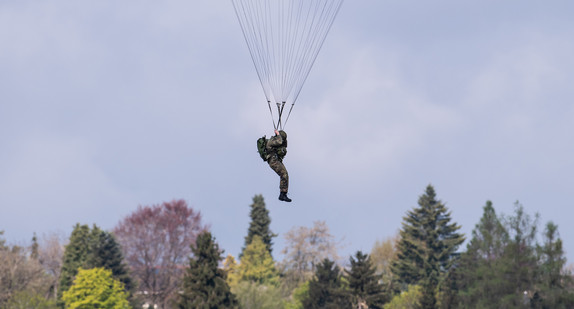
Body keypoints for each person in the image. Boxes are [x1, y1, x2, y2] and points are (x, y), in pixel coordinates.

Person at [266, 129, 291, 202]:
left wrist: (281, 137)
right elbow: (280, 141)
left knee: (285, 174)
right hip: (273, 161)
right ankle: (282, 194)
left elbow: (284, 145)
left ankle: (283, 194)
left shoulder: (277, 141)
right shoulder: (271, 141)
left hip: (276, 160)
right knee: (284, 174)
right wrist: (278, 134)